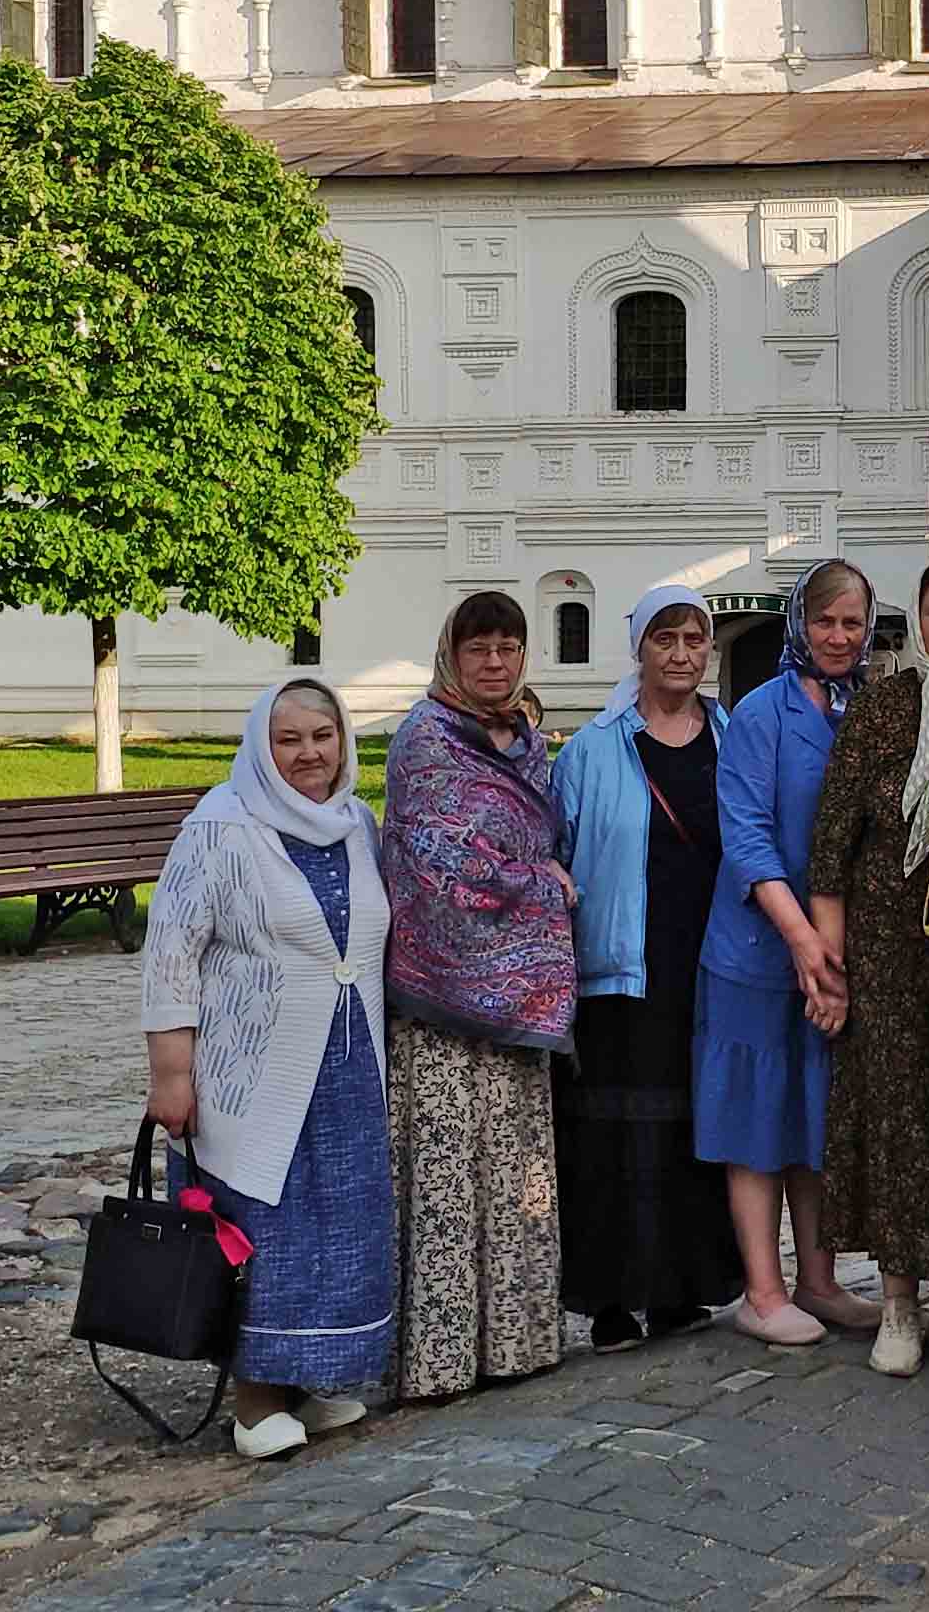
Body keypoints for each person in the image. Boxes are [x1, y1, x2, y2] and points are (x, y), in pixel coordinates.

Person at [141, 678, 393, 1460]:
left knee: (341, 1224)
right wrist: (171, 1072)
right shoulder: (219, 826)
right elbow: (171, 953)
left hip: (349, 1066)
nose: (309, 752)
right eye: (290, 739)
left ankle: (310, 1384)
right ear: (261, 745)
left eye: (324, 735)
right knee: (267, 1228)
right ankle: (254, 1403)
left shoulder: (356, 823)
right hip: (255, 1073)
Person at [809, 555, 929, 1379]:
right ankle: (896, 1300)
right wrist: (831, 958)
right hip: (887, 947)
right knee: (895, 1122)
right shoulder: (886, 705)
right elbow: (831, 838)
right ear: (917, 621)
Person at [382, 596, 576, 1402]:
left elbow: (541, 840)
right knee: (446, 1180)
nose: (495, 663)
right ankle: (439, 1359)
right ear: (450, 656)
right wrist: (542, 889)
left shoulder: (527, 745)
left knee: (514, 1174)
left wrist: (535, 888)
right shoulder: (425, 743)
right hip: (441, 1007)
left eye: (509, 648)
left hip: (518, 1003)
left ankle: (517, 1346)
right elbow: (439, 865)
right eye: (479, 650)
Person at [550, 583, 742, 1352]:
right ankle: (611, 1300)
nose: (682, 653)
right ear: (639, 647)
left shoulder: (728, 734)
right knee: (614, 1134)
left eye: (694, 639)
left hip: (709, 957)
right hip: (622, 961)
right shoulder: (596, 748)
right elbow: (556, 848)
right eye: (666, 638)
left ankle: (683, 1288)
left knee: (694, 1127)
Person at [694, 561, 881, 1348]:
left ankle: (819, 1278)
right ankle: (762, 1292)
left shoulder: (868, 711)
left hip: (837, 954)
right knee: (755, 1118)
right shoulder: (761, 712)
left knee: (815, 1114)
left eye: (851, 622)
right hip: (757, 950)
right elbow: (746, 837)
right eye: (824, 621)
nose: (837, 637)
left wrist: (831, 953)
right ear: (798, 623)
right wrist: (803, 940)